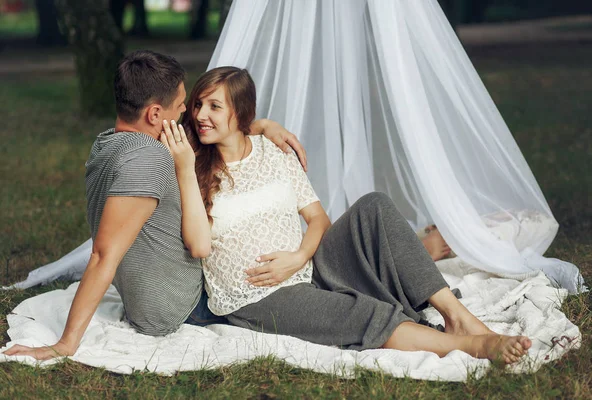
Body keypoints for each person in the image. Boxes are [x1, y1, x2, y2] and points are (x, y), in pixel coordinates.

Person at [176, 66, 531, 364]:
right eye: (197, 105)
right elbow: (197, 242)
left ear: (241, 112)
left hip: (308, 267)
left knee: (374, 205)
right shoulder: (190, 159)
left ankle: (458, 318)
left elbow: (319, 220)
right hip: (257, 296)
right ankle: (473, 346)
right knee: (360, 313)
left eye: (214, 106)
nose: (200, 115)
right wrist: (186, 168)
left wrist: (299, 256)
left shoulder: (275, 152)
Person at [2, 50, 306, 360]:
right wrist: (65, 344)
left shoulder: (107, 143)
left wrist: (263, 125)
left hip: (157, 300)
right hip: (186, 307)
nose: (187, 111)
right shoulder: (150, 160)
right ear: (154, 114)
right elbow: (102, 255)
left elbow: (203, 132)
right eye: (180, 105)